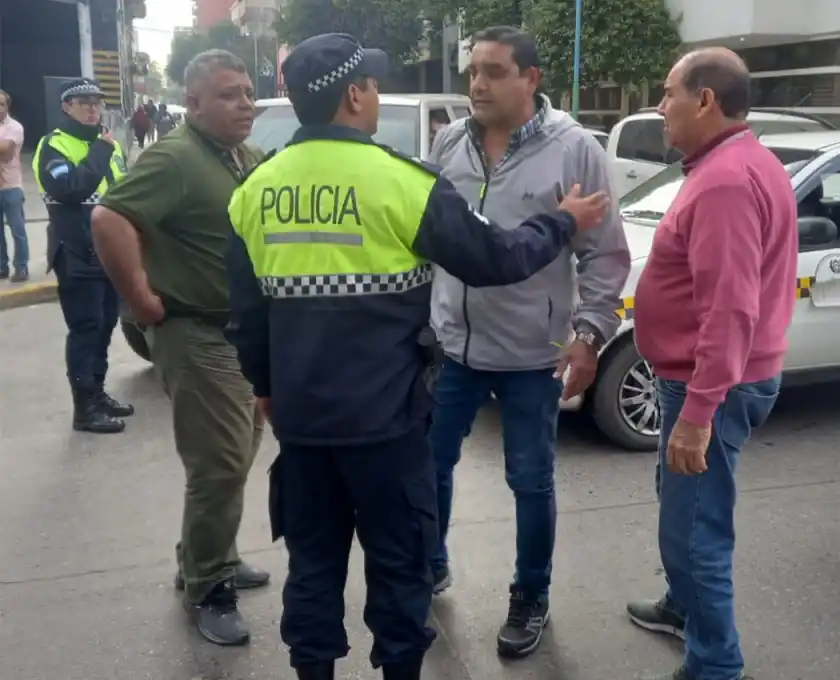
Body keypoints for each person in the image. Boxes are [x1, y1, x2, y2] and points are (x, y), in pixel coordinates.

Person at [223, 32, 610, 680]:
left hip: (305, 425)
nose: (375, 94)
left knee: (313, 569)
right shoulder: (402, 183)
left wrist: (267, 388)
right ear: (354, 94)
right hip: (388, 425)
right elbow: (496, 260)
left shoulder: (253, 191)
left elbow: (249, 318)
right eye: (372, 84)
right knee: (401, 569)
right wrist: (563, 221)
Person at [426, 25, 629, 659]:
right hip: (451, 346)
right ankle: (428, 565)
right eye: (472, 73)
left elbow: (604, 253)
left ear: (531, 79)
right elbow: (426, 235)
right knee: (427, 466)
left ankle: (530, 594)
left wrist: (590, 336)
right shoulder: (448, 142)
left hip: (531, 352)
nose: (477, 85)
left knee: (531, 480)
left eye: (492, 71)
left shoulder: (575, 150)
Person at [624, 48, 798, 680]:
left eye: (668, 93)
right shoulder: (738, 162)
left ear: (704, 100)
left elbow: (730, 309)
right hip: (707, 382)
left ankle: (716, 664)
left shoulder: (725, 180)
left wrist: (698, 412)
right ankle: (684, 608)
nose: (660, 106)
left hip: (711, 387)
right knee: (683, 508)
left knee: (695, 533)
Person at [90, 50, 270, 646]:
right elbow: (110, 218)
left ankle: (208, 553)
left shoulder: (235, 154)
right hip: (194, 331)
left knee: (238, 451)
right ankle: (206, 586)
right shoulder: (176, 157)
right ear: (192, 104)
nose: (243, 103)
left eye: (247, 92)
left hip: (236, 331)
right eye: (227, 94)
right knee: (217, 461)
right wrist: (140, 299)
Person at [33, 78, 133, 433]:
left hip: (109, 251)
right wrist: (101, 152)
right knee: (85, 329)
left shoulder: (108, 143)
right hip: (76, 251)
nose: (92, 108)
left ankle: (99, 393)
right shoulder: (54, 146)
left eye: (96, 101)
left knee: (105, 326)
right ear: (66, 107)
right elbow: (71, 188)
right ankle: (84, 408)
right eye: (82, 102)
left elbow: (124, 192)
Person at [0, 89, 29, 283]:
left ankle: (21, 267)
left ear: (7, 106)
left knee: (17, 230)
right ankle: (2, 266)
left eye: (1, 104)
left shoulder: (15, 127)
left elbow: (6, 151)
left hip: (11, 186)